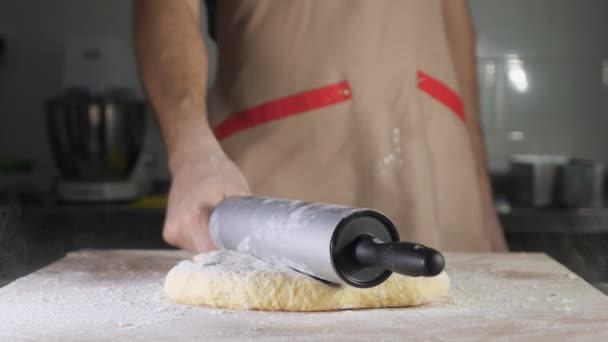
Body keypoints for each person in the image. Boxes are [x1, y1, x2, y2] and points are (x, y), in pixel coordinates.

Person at [133, 0, 508, 253]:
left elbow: (452, 19)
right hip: (283, 168)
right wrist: (192, 154)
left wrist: (479, 184)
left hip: (439, 171)